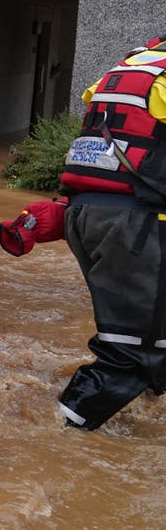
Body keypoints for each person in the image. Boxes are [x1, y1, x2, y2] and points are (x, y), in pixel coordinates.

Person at [53, 33, 166, 430]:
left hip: (88, 216)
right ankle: (57, 435)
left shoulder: (134, 65)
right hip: (136, 226)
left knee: (152, 337)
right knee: (136, 354)